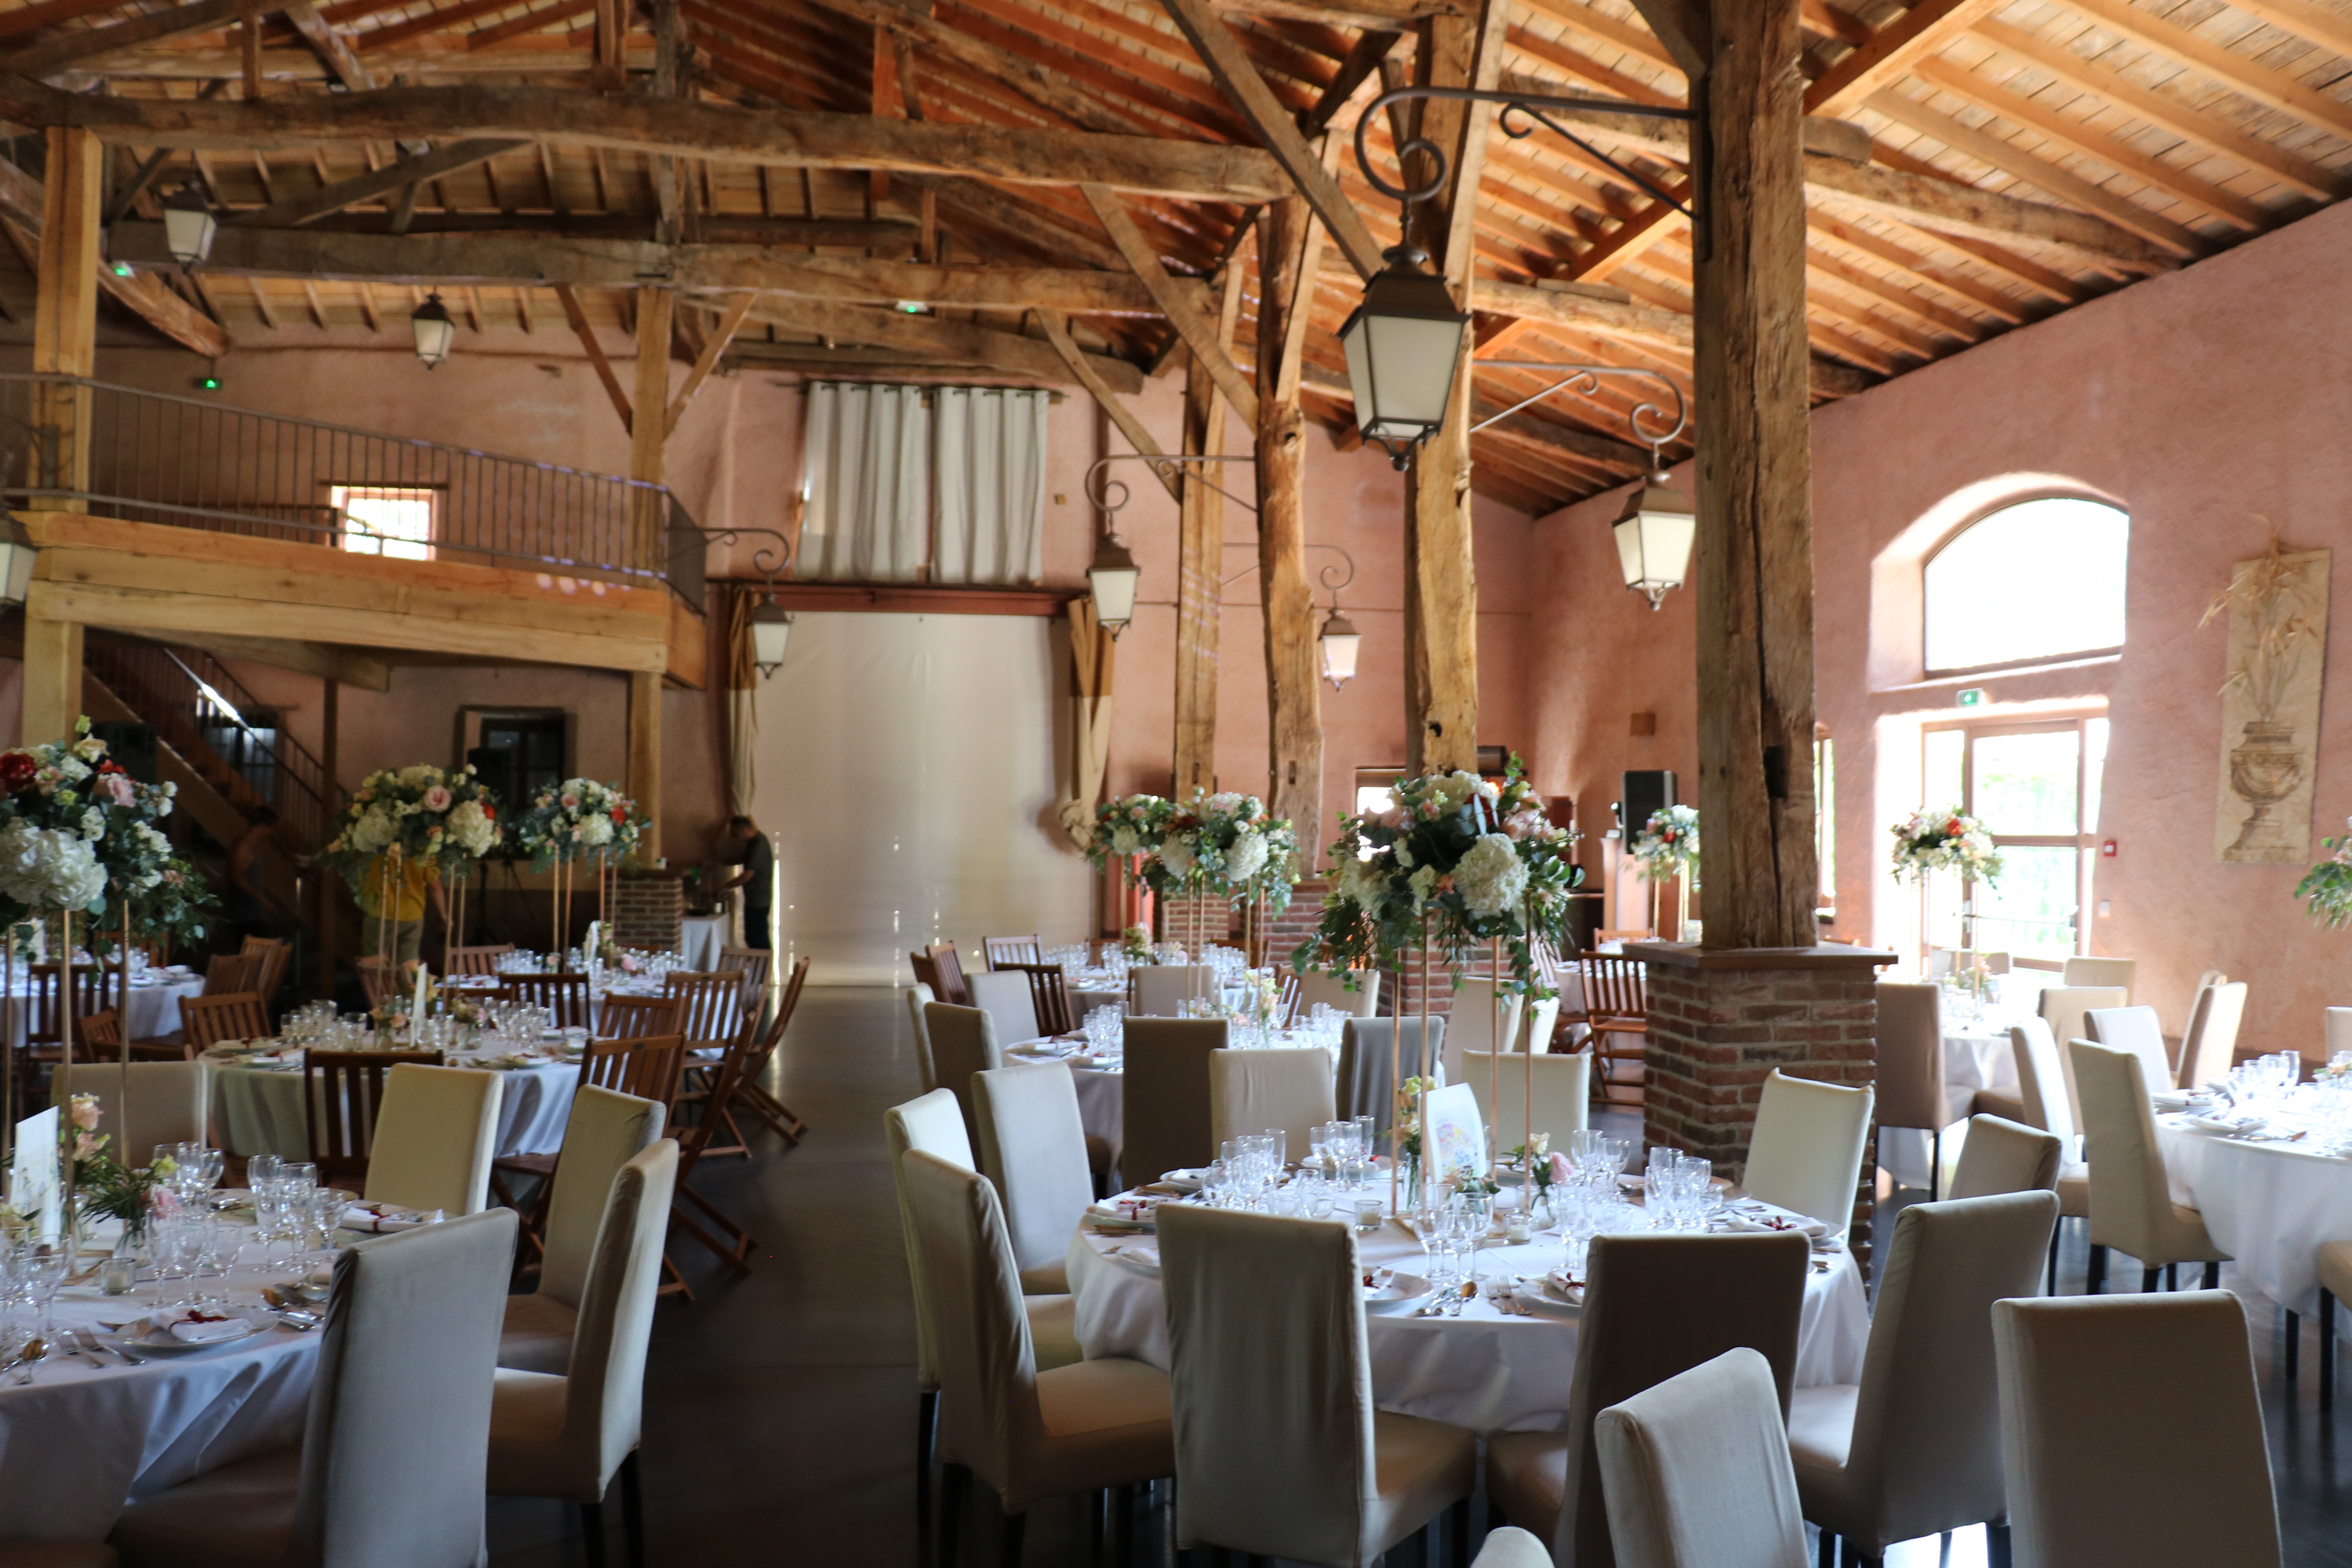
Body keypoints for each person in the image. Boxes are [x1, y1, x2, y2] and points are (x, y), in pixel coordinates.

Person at [356, 850, 446, 969]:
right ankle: (407, 986)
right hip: (412, 913)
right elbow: (435, 886)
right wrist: (444, 916)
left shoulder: (373, 846)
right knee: (408, 966)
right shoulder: (424, 850)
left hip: (379, 911)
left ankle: (379, 987)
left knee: (375, 966)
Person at [224, 808, 290, 942]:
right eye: (270, 828)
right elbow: (237, 877)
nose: (270, 833)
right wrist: (263, 900)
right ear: (264, 827)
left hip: (253, 913)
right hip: (244, 914)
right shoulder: (243, 846)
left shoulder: (252, 846)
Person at [710, 815, 773, 951]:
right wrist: (720, 863)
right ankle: (758, 968)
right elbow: (743, 859)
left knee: (758, 939)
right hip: (754, 899)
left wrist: (726, 887)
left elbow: (747, 876)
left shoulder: (759, 845)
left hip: (759, 900)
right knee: (751, 937)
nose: (733, 838)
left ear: (743, 831)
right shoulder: (753, 843)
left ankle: (763, 969)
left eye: (734, 834)